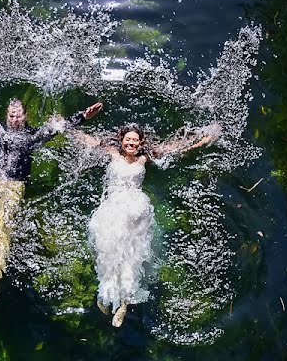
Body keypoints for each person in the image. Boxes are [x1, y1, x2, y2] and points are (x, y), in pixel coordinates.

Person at [0, 78, 103, 300]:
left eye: (18, 115)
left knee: (0, 229)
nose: (14, 119)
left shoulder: (33, 137)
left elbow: (60, 127)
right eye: (11, 115)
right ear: (7, 116)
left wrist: (84, 115)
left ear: (26, 117)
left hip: (14, 186)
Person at [70, 122, 221, 326]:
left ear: (140, 143)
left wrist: (202, 141)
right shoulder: (112, 153)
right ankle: (104, 292)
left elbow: (175, 148)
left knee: (132, 254)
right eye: (128, 139)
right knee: (108, 249)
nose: (131, 142)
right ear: (122, 141)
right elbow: (90, 141)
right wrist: (66, 128)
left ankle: (124, 303)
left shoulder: (144, 158)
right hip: (113, 207)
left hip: (135, 210)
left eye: (134, 140)